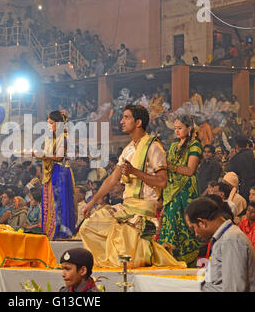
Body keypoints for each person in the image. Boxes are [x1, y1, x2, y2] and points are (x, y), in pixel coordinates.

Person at [79, 105, 185, 269]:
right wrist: (91, 203)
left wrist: (135, 171)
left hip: (143, 209)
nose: (121, 121)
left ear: (138, 122)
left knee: (124, 259)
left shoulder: (153, 147)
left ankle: (156, 254)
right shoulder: (128, 149)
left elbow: (162, 182)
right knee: (88, 227)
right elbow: (111, 180)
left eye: (126, 117)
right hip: (126, 207)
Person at [185, 197, 255, 292]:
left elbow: (234, 288)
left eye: (193, 228)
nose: (196, 234)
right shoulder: (225, 238)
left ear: (202, 222)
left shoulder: (231, 240)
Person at [159, 114, 203, 267]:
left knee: (185, 224)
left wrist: (171, 167)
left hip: (186, 191)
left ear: (189, 129)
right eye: (175, 128)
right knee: (170, 222)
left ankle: (187, 261)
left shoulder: (194, 145)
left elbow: (190, 170)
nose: (176, 131)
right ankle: (170, 259)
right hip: (171, 190)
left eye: (180, 128)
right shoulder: (172, 146)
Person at [34, 111, 76, 240]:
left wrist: (42, 155)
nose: (48, 126)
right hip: (51, 172)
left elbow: (58, 157)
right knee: (50, 200)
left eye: (51, 123)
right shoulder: (50, 138)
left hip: (61, 171)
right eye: (48, 123)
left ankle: (59, 231)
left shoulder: (63, 137)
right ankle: (48, 229)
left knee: (59, 201)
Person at [227, 134, 255, 200]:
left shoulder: (235, 159)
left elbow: (230, 178)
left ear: (236, 146)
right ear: (247, 144)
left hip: (243, 191)